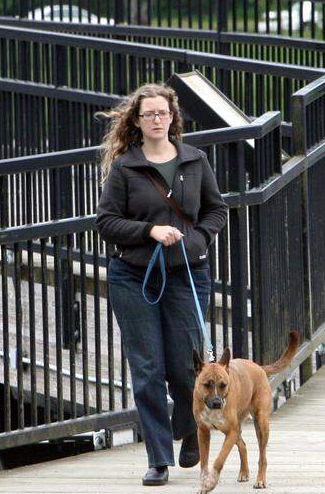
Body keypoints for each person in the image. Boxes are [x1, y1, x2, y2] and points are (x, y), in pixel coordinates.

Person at [95, 82, 228, 486]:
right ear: (136, 121)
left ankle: (189, 429)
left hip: (188, 274)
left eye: (163, 113)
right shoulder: (126, 167)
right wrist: (149, 230)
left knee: (187, 366)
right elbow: (105, 222)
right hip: (134, 276)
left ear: (173, 118)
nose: (157, 119)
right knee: (148, 369)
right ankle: (157, 458)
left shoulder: (194, 160)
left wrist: (197, 240)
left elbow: (216, 210)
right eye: (148, 114)